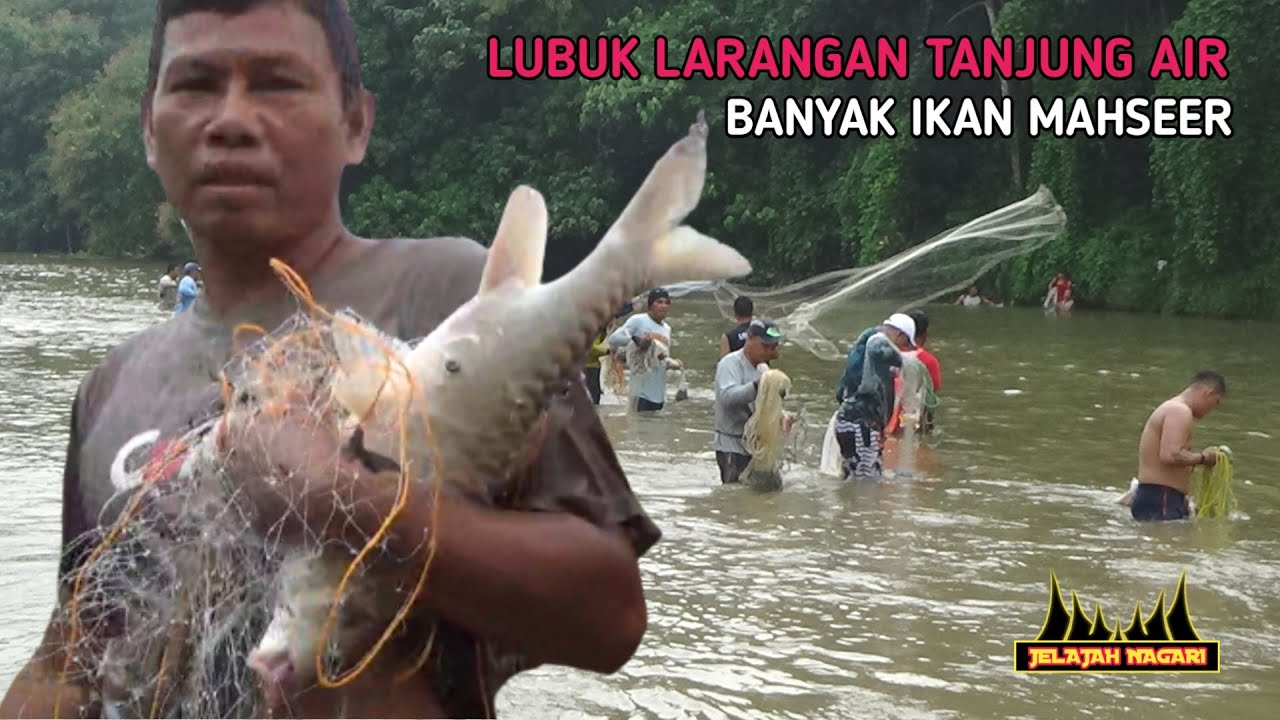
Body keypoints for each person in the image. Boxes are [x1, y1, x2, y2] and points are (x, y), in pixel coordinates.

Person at [0, 2, 656, 717]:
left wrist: (339, 497)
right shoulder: (113, 385)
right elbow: (71, 659)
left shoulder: (450, 298)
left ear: (356, 124)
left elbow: (608, 618)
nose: (231, 120)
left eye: (277, 83)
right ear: (150, 130)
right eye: (195, 85)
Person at [1130, 370, 1226, 522]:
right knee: (1163, 543)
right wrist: (1204, 458)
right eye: (1216, 402)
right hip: (1162, 497)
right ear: (1209, 393)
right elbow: (1171, 455)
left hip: (1161, 497)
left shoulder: (1174, 408)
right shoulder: (1179, 410)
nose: (1213, 409)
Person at [833, 313, 915, 480]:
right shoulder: (877, 342)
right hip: (860, 424)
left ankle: (847, 506)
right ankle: (861, 507)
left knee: (854, 476)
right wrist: (910, 362)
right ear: (900, 335)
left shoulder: (864, 350)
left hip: (851, 421)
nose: (903, 348)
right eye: (905, 343)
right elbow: (881, 350)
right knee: (866, 480)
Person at [713, 319, 783, 484]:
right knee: (735, 497)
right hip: (732, 445)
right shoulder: (729, 364)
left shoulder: (765, 370)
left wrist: (783, 416)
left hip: (758, 447)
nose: (768, 352)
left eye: (773, 348)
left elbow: (769, 406)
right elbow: (727, 396)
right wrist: (756, 387)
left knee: (769, 493)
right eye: (764, 346)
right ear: (750, 338)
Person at [608, 288, 682, 412]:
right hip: (640, 392)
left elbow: (660, 357)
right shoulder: (638, 320)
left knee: (654, 429)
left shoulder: (667, 328)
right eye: (659, 302)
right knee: (638, 427)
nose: (663, 306)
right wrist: (638, 341)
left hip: (659, 393)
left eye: (666, 302)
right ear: (650, 305)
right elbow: (614, 339)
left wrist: (673, 363)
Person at [583, 301, 636, 405]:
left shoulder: (602, 328)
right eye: (613, 317)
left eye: (616, 317)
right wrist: (607, 350)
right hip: (587, 368)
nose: (614, 320)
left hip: (593, 367)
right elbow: (589, 349)